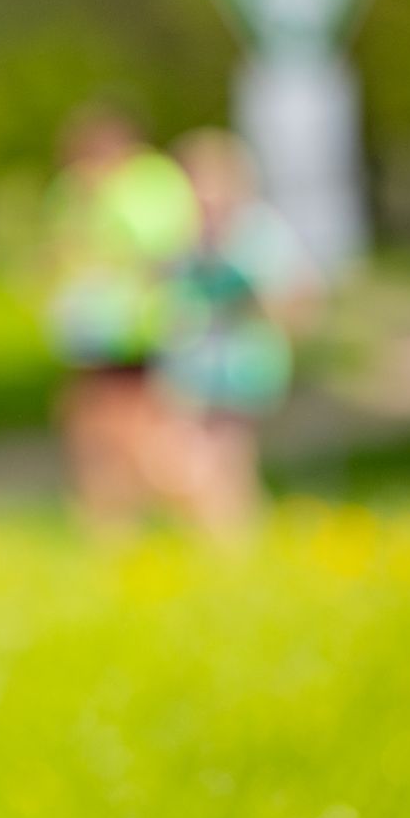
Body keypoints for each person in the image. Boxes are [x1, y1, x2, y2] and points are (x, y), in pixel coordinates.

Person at [156, 129, 319, 533]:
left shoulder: (258, 230)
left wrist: (262, 302)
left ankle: (230, 544)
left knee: (224, 457)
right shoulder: (181, 233)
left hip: (244, 363)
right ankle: (227, 540)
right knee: (189, 457)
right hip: (191, 364)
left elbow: (299, 296)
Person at [43, 106, 199, 529]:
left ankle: (185, 499)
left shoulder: (150, 182)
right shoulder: (71, 188)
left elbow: (161, 249)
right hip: (91, 331)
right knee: (90, 426)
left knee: (133, 427)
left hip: (135, 329)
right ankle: (112, 515)